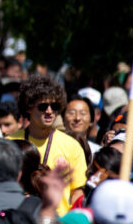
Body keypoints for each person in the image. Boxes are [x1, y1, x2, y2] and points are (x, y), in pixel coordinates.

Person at [6, 75, 87, 214]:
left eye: (54, 106)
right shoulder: (9, 143)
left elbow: (77, 192)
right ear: (29, 108)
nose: (49, 111)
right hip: (19, 220)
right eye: (43, 106)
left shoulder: (72, 146)